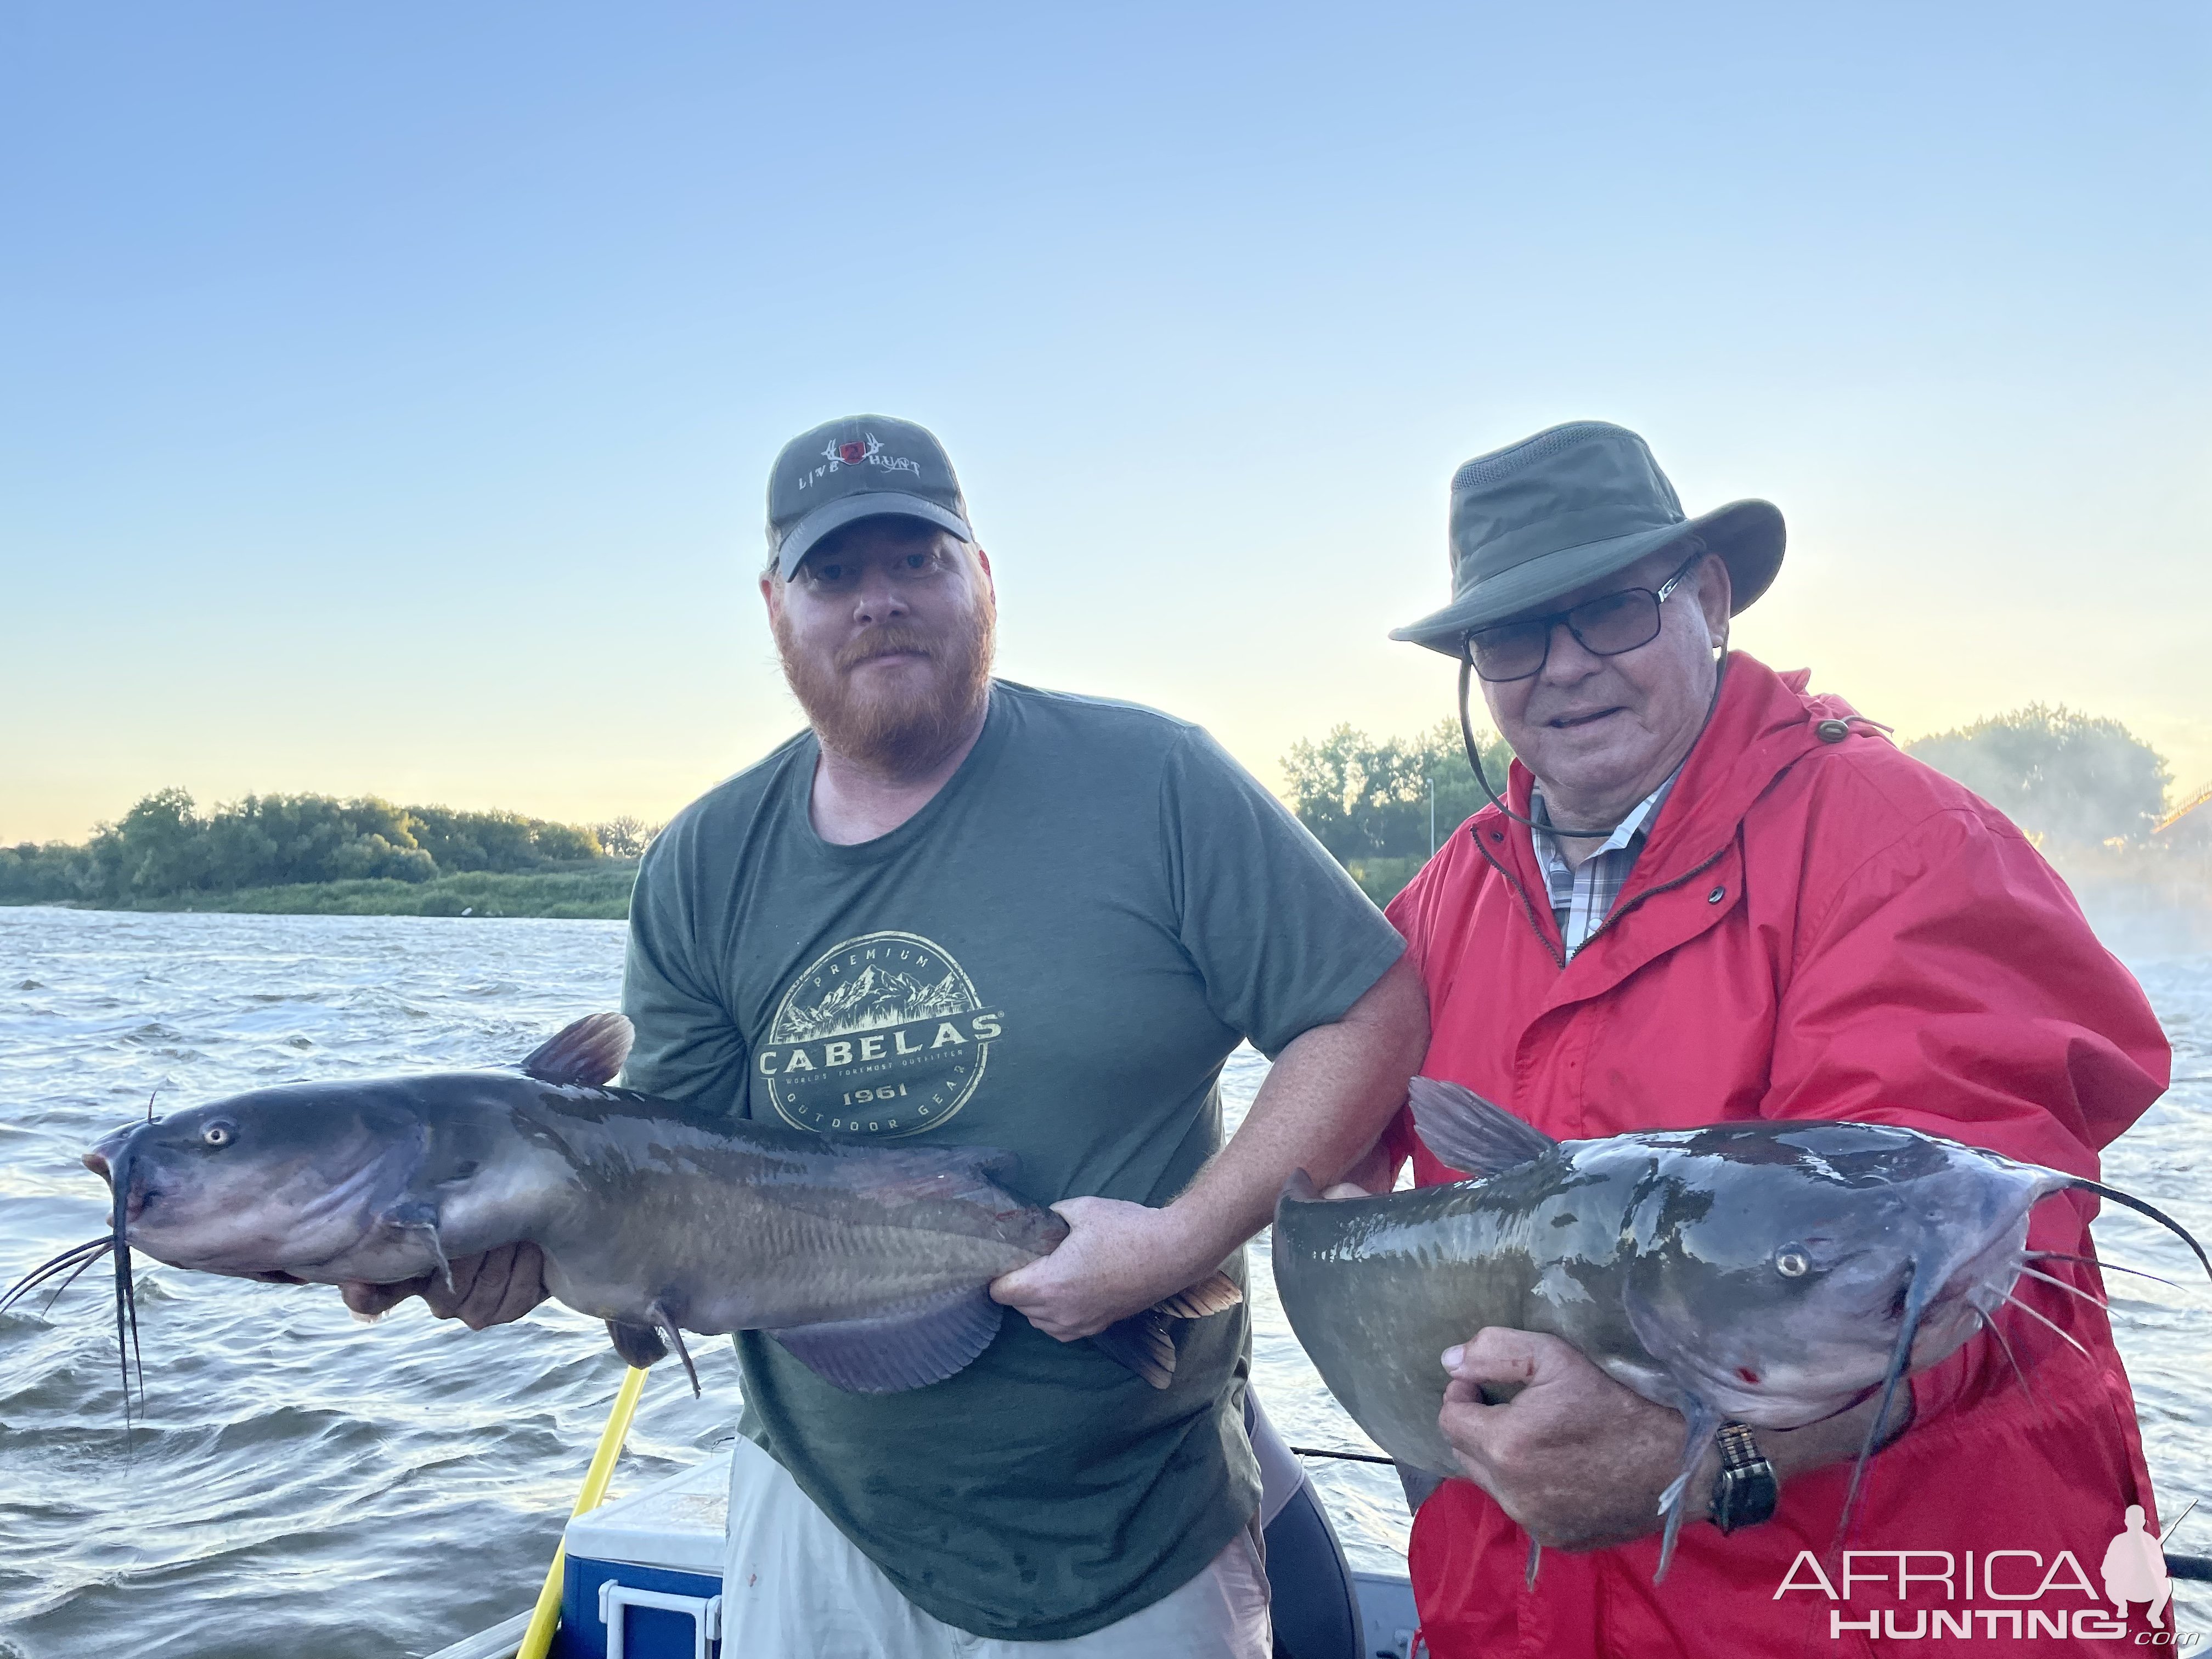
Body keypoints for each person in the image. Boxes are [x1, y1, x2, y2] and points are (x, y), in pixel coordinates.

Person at [431, 413, 1421, 1657]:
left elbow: (1369, 1009)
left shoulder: (1157, 781)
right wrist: (526, 1255)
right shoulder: (702, 861)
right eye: (833, 574)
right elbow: (664, 1186)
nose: (878, 603)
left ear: (982, 578)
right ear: (775, 608)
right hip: (819, 1511)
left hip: (1132, 1526)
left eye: (917, 560)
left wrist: (1185, 1238)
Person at [1363, 420, 2171, 1655]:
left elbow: (1969, 1275)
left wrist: (1698, 1456)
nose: (1566, 667)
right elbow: (1313, 1156)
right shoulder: (1431, 911)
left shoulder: (1905, 846)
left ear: (1712, 598)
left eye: (1614, 611)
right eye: (1516, 634)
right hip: (1522, 1619)